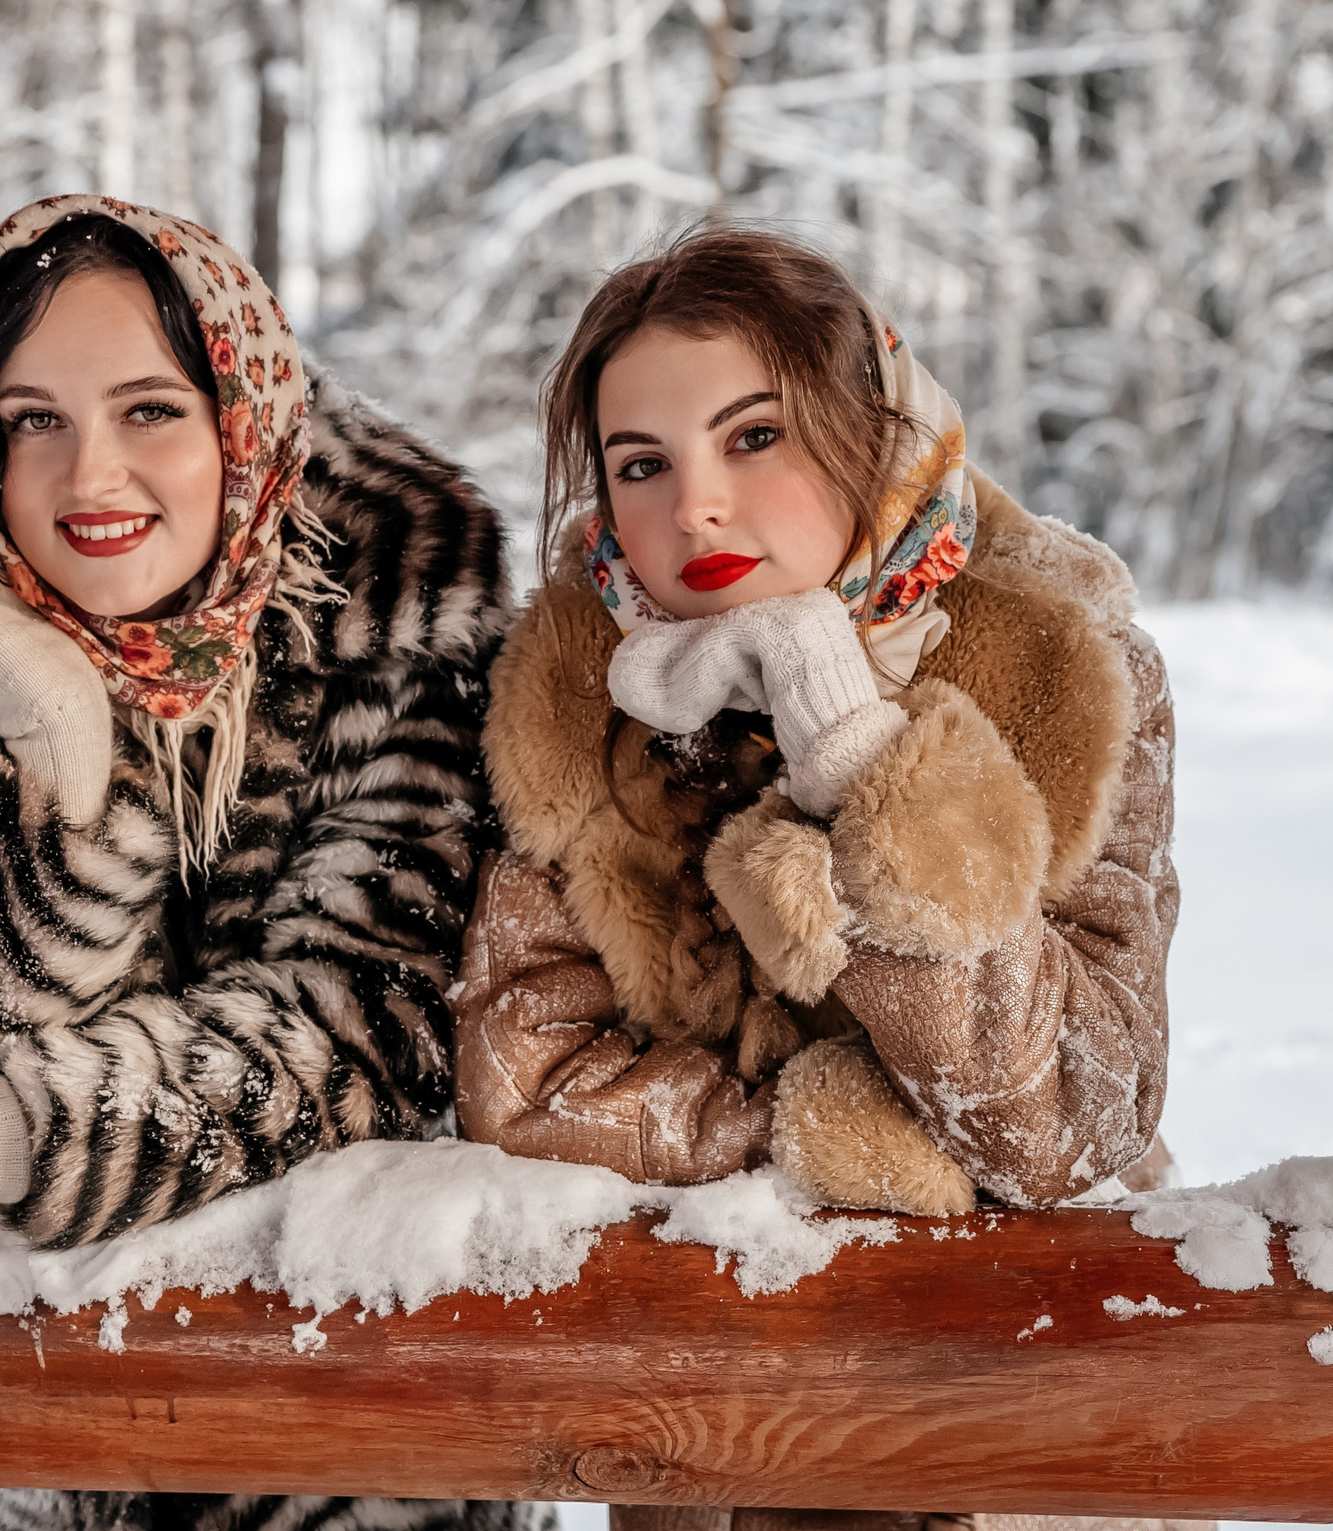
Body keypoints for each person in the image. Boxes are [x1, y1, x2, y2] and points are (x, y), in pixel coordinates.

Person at [0, 195, 531, 1531]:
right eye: (38, 420)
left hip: (344, 1428)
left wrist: (4, 1132)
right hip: (0, 1445)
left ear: (239, 415)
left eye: (149, 410)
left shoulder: (403, 591)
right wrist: (55, 749)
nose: (91, 476)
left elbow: (374, 1036)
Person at [457, 225, 1179, 1218]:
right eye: (640, 465)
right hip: (687, 1323)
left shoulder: (1071, 664)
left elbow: (1070, 1124)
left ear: (870, 429)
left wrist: (855, 755)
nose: (695, 506)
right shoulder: (569, 683)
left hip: (1030, 1323)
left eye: (755, 436)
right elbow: (525, 1089)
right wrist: (816, 1136)